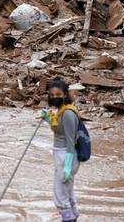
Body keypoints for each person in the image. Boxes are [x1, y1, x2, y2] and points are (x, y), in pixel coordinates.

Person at [39, 78, 81, 222]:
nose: (55, 97)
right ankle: (73, 216)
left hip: (66, 155)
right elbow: (59, 131)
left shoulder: (68, 113)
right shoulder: (61, 110)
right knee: (67, 191)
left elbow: (71, 141)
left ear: (65, 94)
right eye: (52, 95)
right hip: (61, 154)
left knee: (60, 194)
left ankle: (68, 219)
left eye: (58, 95)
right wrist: (48, 119)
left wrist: (67, 167)